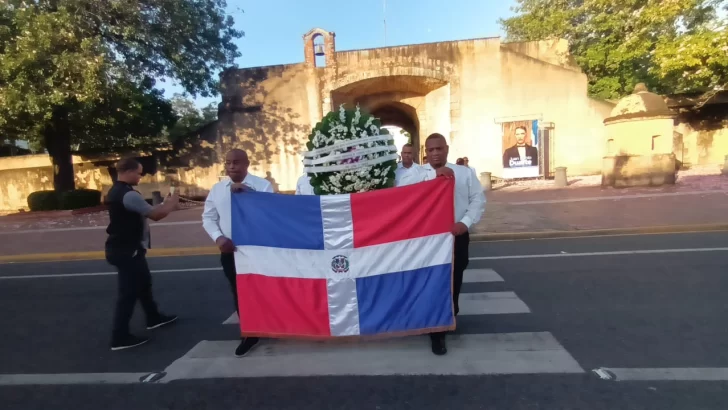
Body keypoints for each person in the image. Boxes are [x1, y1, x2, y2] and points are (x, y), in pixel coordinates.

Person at [202, 149, 273, 357]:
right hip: (231, 251)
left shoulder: (262, 186)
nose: (232, 166)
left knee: (262, 289)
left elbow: (270, 213)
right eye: (228, 162)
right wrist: (218, 237)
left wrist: (248, 193)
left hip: (257, 251)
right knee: (239, 292)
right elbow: (208, 217)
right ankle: (249, 332)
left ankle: (271, 322)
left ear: (247, 164)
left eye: (236, 162)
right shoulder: (217, 190)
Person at [421, 133, 486, 356]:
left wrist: (465, 223)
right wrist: (435, 178)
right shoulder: (417, 176)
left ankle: (450, 314)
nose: (435, 153)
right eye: (430, 150)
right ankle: (436, 329)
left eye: (439, 149)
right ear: (425, 152)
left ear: (446, 149)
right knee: (433, 281)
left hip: (455, 236)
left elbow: (477, 199)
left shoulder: (464, 173)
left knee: (453, 279)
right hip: (428, 241)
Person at [106, 157, 180, 351]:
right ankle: (119, 337)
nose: (141, 176)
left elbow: (148, 210)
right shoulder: (128, 194)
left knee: (143, 283)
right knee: (128, 294)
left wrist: (164, 204)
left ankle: (153, 317)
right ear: (128, 171)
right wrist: (172, 203)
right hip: (126, 250)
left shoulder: (118, 191)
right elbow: (155, 215)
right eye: (139, 173)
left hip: (128, 248)